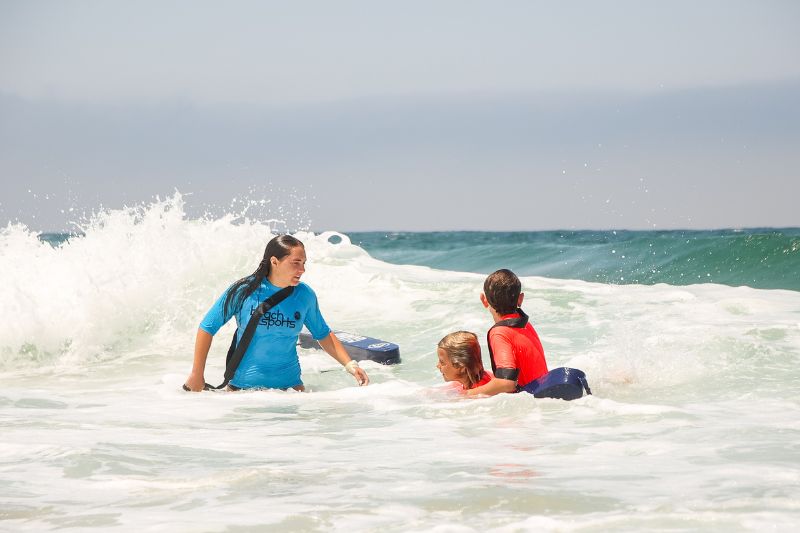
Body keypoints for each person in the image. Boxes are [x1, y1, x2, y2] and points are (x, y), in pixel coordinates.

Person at [184, 235, 369, 392]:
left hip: (290, 391)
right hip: (243, 393)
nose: (302, 269)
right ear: (274, 261)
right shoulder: (244, 291)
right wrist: (197, 374)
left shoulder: (305, 295)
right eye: (296, 263)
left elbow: (323, 334)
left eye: (304, 263)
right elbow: (207, 327)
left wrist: (350, 365)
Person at [465, 269, 548, 397]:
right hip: (543, 392)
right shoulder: (525, 324)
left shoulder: (499, 333)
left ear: (484, 300)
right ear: (520, 299)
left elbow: (507, 383)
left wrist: (467, 395)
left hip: (528, 402)